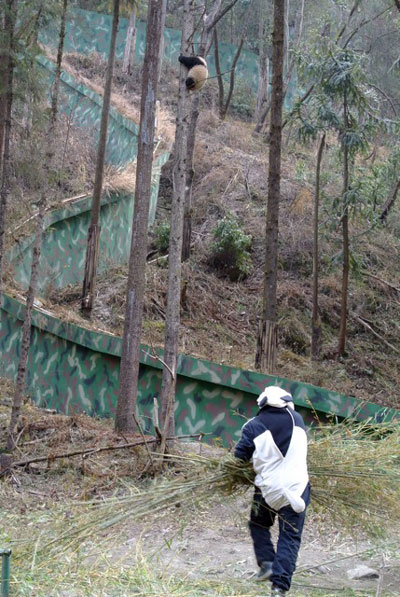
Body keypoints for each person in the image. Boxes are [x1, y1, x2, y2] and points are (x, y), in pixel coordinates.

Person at [234, 385, 310, 597]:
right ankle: (279, 588)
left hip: (267, 490)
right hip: (298, 489)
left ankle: (267, 561)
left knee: (258, 523)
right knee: (289, 538)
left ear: (262, 404)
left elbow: (239, 457)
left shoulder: (253, 425)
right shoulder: (299, 421)